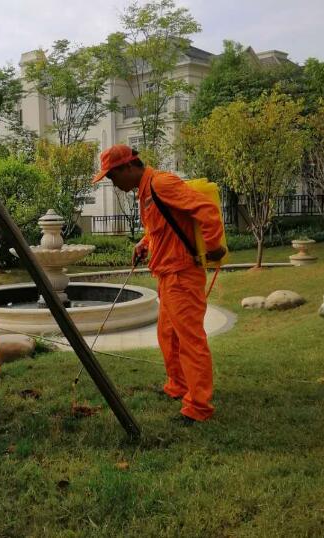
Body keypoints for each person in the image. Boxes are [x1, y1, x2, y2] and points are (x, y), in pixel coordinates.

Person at [93, 145, 225, 423]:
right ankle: (178, 385)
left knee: (190, 340)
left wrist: (213, 247)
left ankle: (198, 406)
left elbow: (206, 209)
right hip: (167, 275)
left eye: (112, 176)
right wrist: (144, 242)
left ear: (127, 167)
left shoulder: (161, 183)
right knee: (168, 336)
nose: (113, 183)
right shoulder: (146, 191)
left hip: (182, 274)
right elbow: (161, 226)